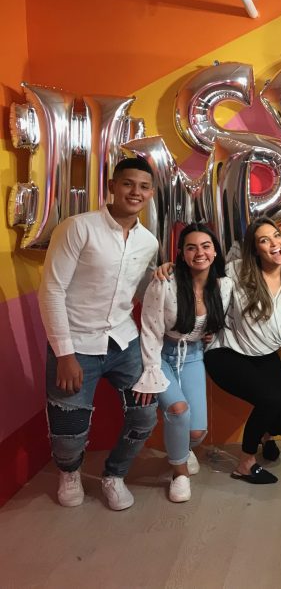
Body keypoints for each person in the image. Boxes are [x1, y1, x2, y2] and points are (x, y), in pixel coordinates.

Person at [38, 156, 159, 510]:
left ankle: (115, 474)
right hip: (76, 343)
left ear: (151, 193)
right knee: (68, 430)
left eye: (143, 187)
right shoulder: (78, 228)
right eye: (127, 184)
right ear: (111, 186)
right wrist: (64, 354)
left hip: (125, 341)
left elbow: (137, 291)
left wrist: (163, 281)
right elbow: (52, 291)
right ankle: (69, 471)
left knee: (145, 415)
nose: (135, 192)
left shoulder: (147, 242)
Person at [203, 217, 281, 484]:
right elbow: (198, 275)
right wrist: (168, 268)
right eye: (264, 240)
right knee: (270, 399)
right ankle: (245, 463)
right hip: (227, 352)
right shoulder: (237, 271)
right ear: (254, 250)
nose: (274, 244)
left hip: (264, 355)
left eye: (276, 236)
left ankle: (265, 435)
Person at [133, 224, 233, 502]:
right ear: (182, 253)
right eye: (191, 247)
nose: (199, 252)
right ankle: (179, 474)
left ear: (214, 251)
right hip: (160, 355)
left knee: (198, 431)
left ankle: (180, 450)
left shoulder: (223, 286)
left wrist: (209, 334)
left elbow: (215, 324)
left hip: (192, 357)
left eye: (205, 246)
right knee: (178, 411)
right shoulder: (165, 281)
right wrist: (151, 370)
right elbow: (150, 329)